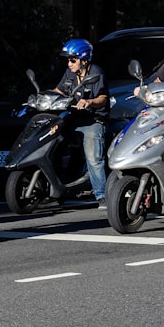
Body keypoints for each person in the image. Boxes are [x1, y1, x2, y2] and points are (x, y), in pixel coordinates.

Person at [51, 38, 110, 208]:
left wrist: (90, 102)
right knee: (53, 146)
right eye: (68, 60)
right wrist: (43, 97)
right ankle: (56, 190)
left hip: (93, 120)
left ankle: (102, 195)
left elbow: (103, 98)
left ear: (84, 59)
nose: (69, 64)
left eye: (72, 60)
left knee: (93, 158)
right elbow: (59, 91)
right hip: (73, 118)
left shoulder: (96, 73)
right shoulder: (70, 73)